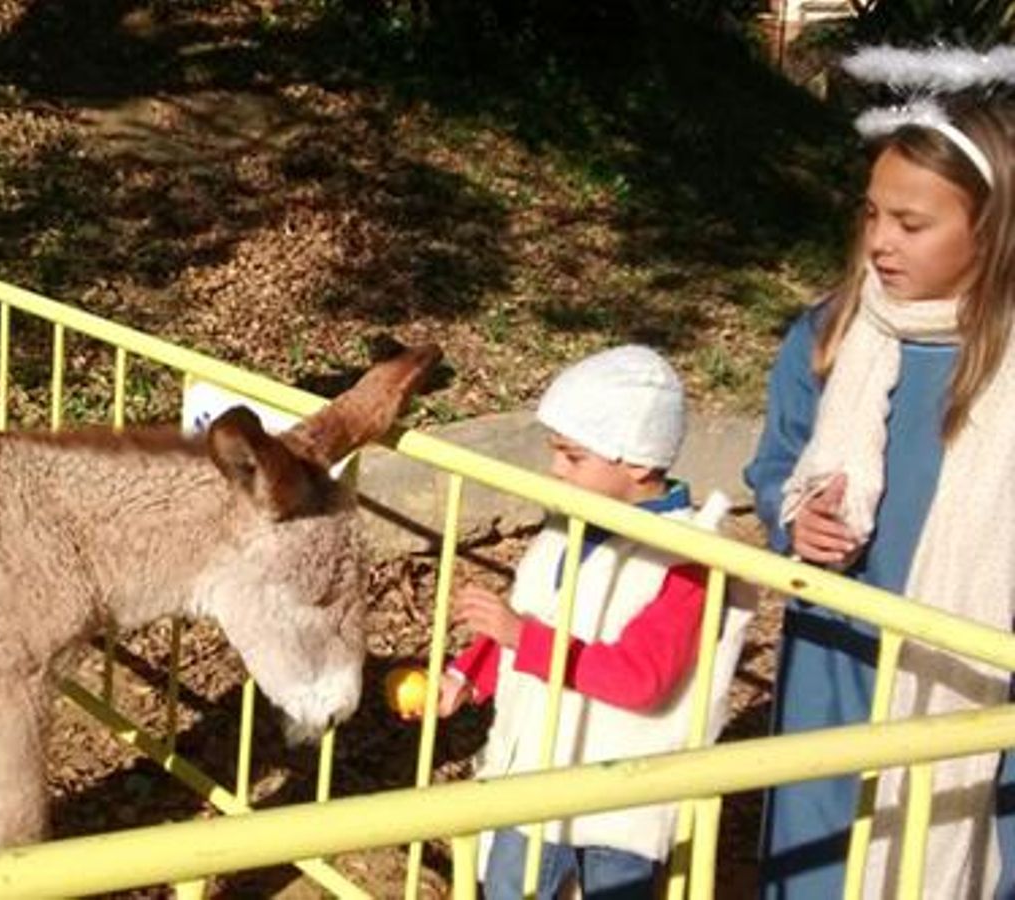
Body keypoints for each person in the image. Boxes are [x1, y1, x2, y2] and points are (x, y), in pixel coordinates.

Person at [745, 46, 1015, 900]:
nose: (879, 242)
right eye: (871, 214)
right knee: (822, 863)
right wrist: (793, 516)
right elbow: (776, 463)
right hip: (837, 656)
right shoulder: (828, 335)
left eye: (911, 223)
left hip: (977, 676)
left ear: (991, 227)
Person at [428, 344, 749, 900]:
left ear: (637, 463)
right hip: (533, 771)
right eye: (555, 451)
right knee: (507, 888)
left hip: (620, 795)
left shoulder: (686, 558)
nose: (556, 469)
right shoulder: (570, 523)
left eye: (573, 456)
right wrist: (469, 674)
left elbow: (641, 679)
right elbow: (535, 611)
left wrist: (519, 635)